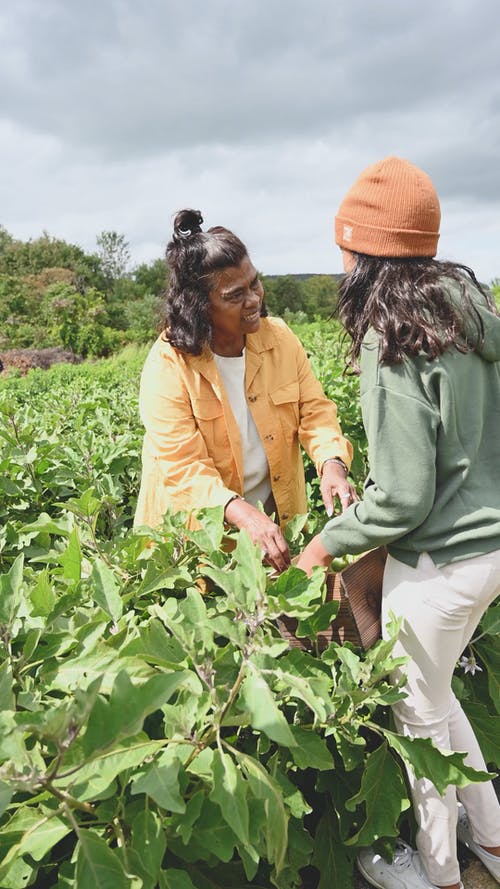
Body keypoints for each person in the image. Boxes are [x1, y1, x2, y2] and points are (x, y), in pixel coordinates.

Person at [296, 157, 500, 889]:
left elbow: (405, 495)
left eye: (344, 248)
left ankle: (441, 873)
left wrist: (325, 542)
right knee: (437, 696)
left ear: (363, 252)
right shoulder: (467, 310)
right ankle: (496, 843)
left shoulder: (393, 336)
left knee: (416, 723)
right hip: (491, 552)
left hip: (441, 561)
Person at [134, 208, 355, 574]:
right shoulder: (168, 365)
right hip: (195, 543)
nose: (253, 299)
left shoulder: (279, 338)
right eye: (235, 295)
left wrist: (331, 462)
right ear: (200, 305)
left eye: (255, 283)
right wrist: (242, 515)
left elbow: (314, 411)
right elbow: (183, 468)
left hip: (272, 520)